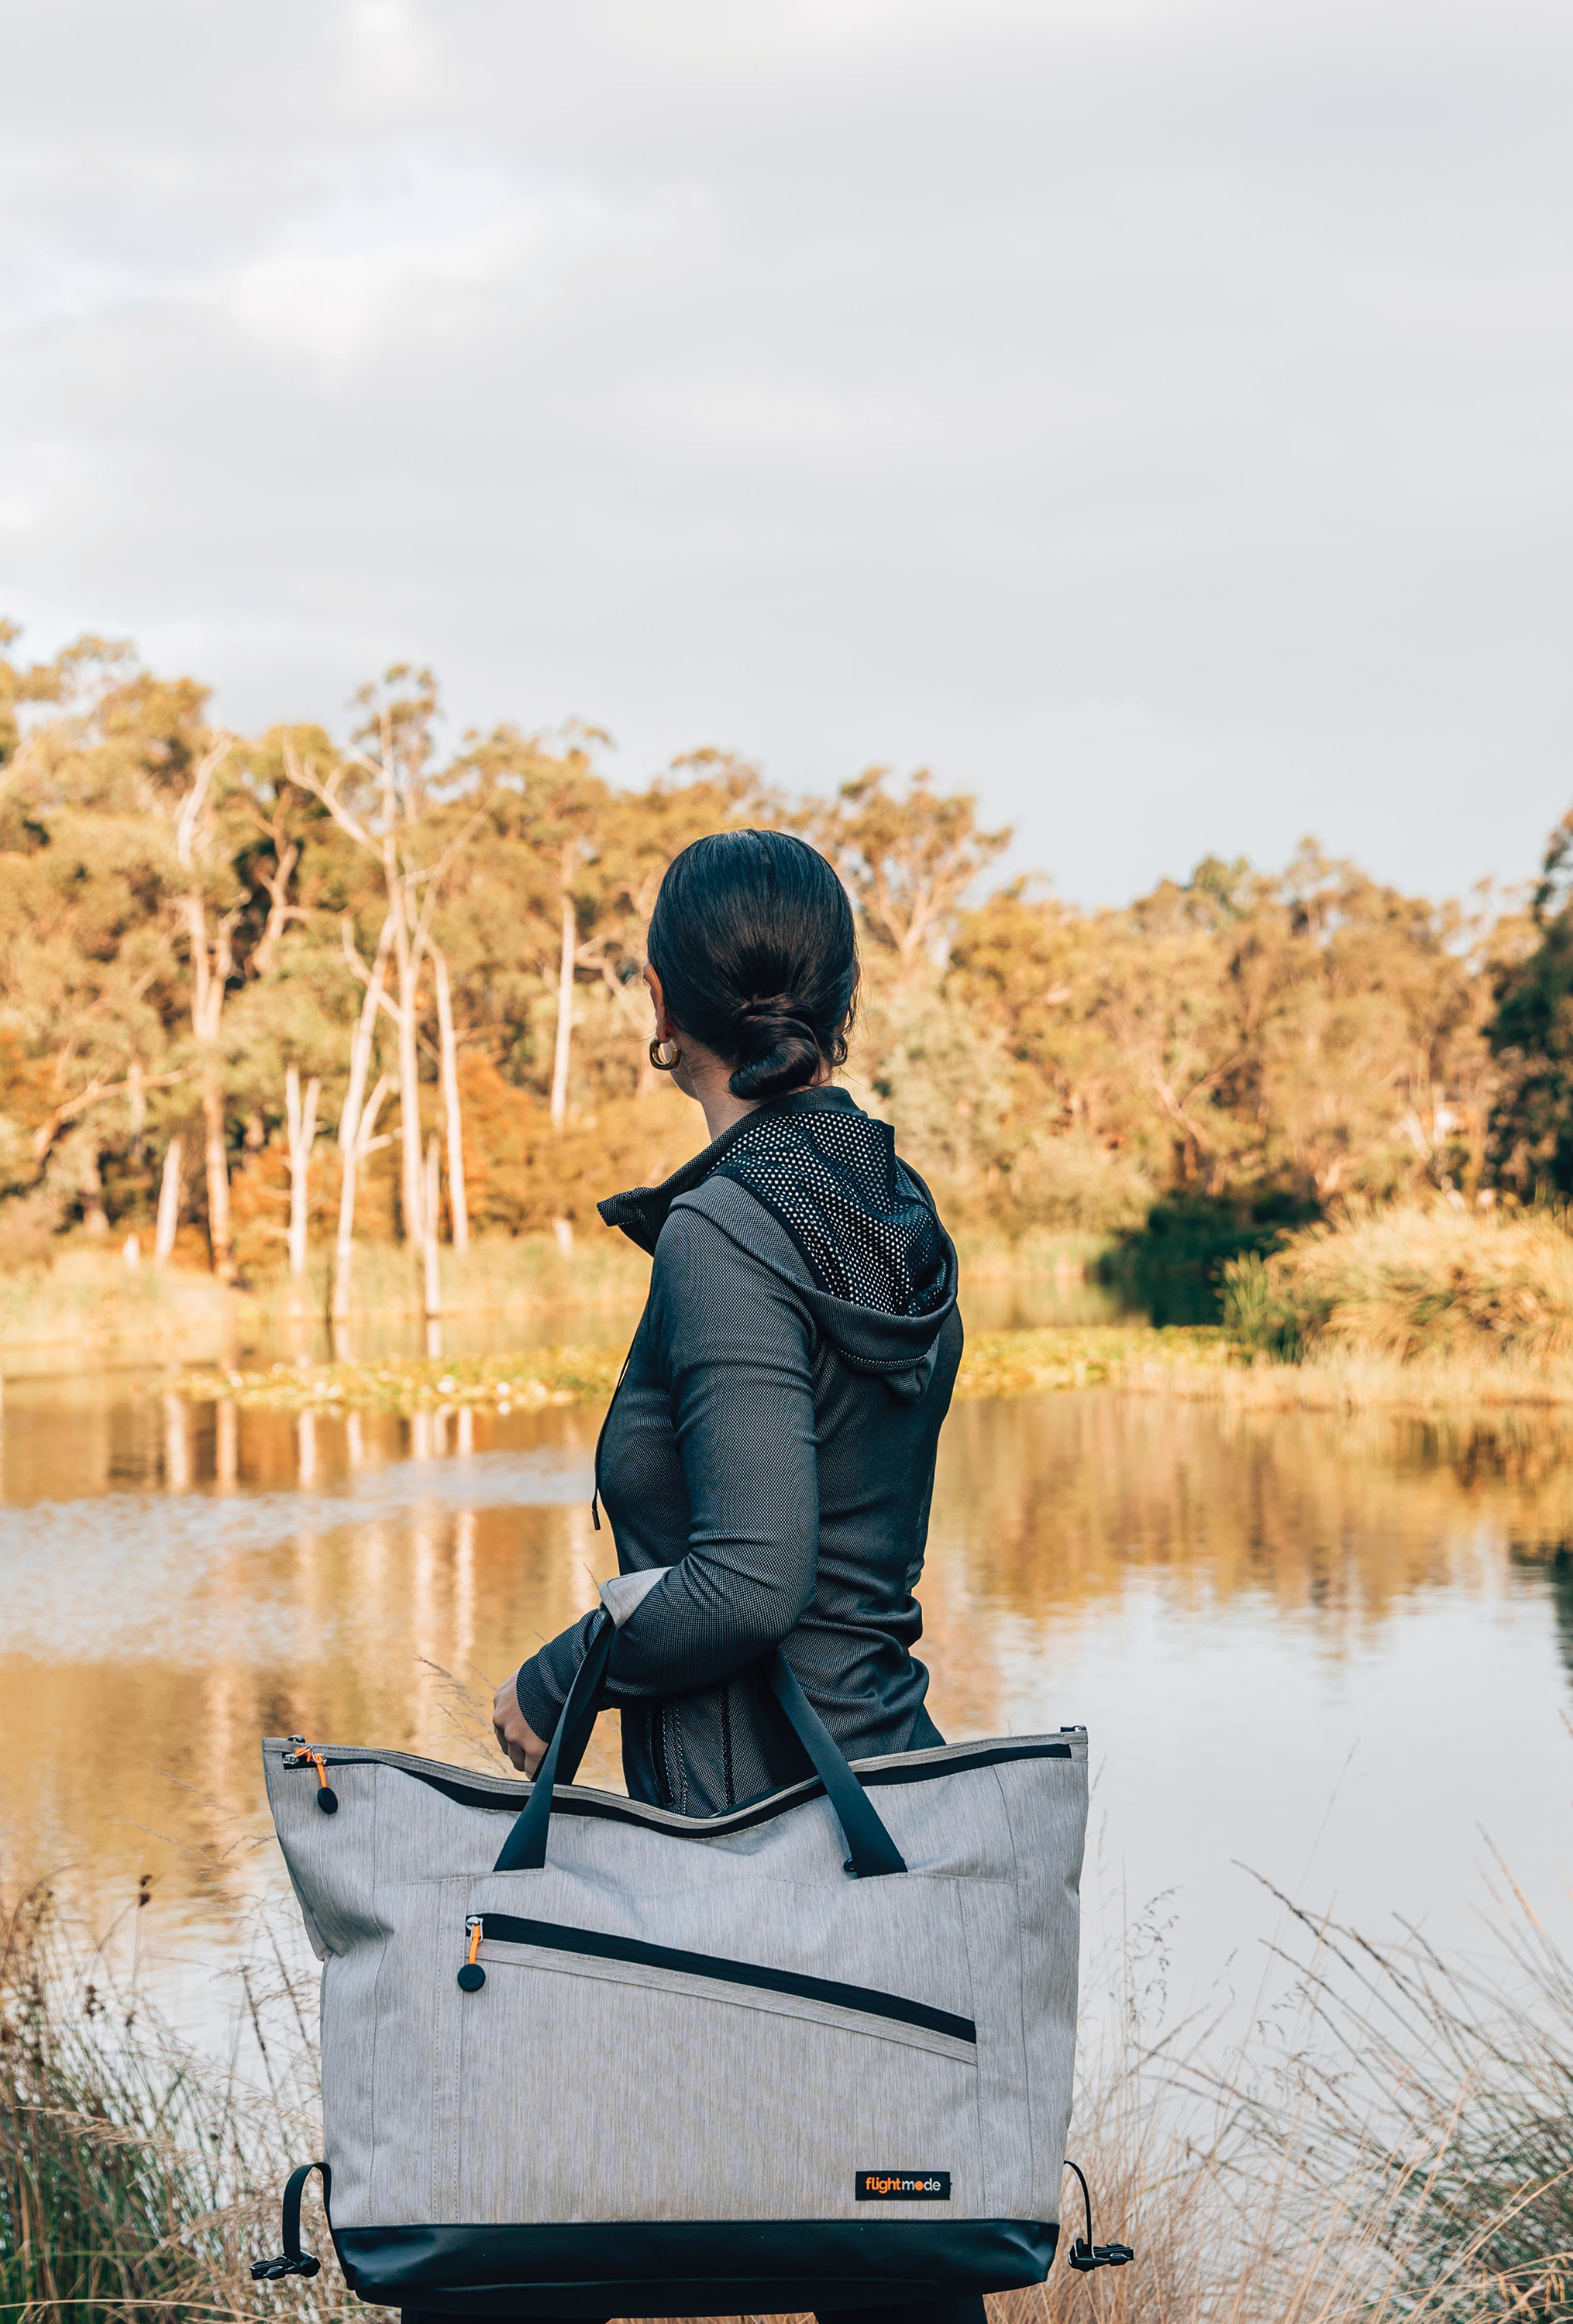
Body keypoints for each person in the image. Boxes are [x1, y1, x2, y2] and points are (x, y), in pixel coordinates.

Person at [474, 825, 976, 2324]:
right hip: (894, 1828)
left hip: (758, 1849)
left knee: (542, 2253)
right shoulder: (894, 1207)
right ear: (839, 997)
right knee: (888, 2284)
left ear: (658, 995)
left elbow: (753, 1580)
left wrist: (551, 1680)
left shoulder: (728, 1229)